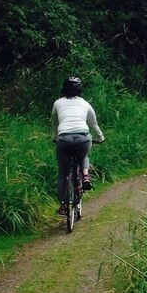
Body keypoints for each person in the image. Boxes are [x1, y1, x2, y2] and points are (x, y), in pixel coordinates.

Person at [51, 76, 104, 213]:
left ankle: (63, 205)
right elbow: (93, 124)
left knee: (63, 173)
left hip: (63, 139)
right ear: (80, 90)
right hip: (83, 138)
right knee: (83, 155)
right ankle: (85, 175)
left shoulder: (57, 103)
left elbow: (54, 122)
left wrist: (55, 137)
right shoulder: (85, 103)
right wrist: (100, 137)